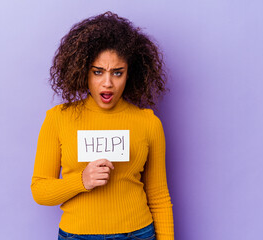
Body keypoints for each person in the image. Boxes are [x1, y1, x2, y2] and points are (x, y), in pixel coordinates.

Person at [31, 11, 174, 240]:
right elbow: (39, 190)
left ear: (130, 74)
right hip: (77, 236)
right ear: (82, 71)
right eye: (98, 72)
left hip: (137, 234)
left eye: (118, 73)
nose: (107, 83)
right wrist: (82, 181)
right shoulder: (58, 118)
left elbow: (158, 196)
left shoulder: (148, 123)